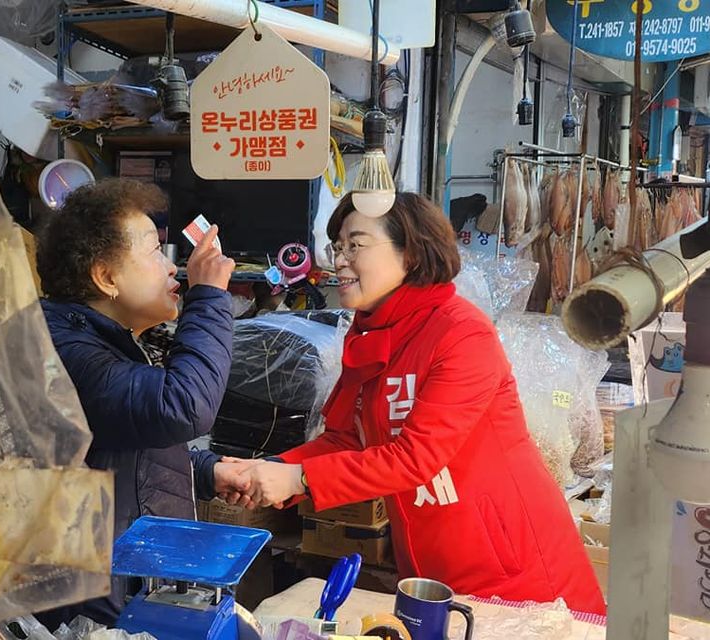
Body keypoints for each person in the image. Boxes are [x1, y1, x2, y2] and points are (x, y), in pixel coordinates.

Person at [228, 192, 606, 615]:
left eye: (356, 245)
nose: (340, 260)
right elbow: (346, 438)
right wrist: (269, 469)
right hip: (430, 562)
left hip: (513, 569)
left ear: (409, 254)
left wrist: (301, 478)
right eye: (338, 247)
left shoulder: (461, 333)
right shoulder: (368, 333)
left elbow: (415, 457)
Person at [33, 179, 253, 629]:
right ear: (106, 277)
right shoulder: (65, 352)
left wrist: (204, 470)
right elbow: (183, 405)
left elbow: (115, 452)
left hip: (119, 597)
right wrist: (209, 296)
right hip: (89, 616)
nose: (173, 269)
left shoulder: (95, 343)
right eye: (155, 252)